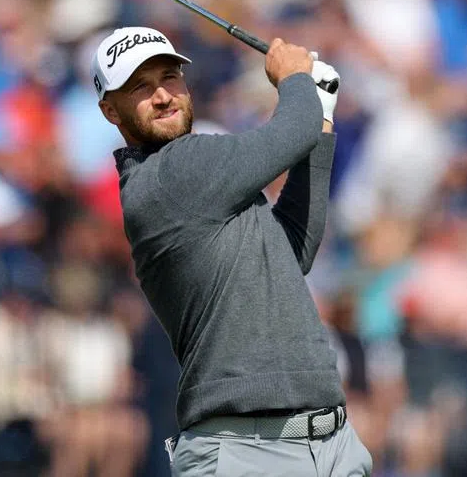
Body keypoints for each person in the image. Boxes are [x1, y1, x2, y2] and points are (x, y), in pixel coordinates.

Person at [93, 26, 372, 476]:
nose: (163, 96)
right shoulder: (172, 174)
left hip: (331, 446)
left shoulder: (205, 185)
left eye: (169, 77)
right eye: (140, 87)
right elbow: (290, 130)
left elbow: (293, 249)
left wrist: (320, 122)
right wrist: (295, 78)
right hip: (247, 453)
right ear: (111, 111)